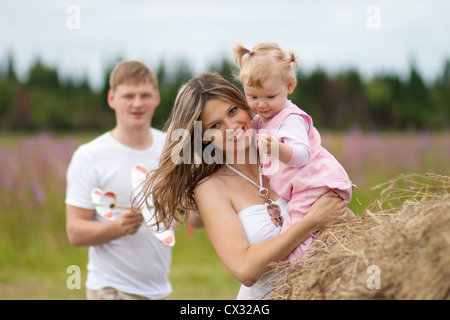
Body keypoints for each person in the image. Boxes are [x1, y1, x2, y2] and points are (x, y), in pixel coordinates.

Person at [136, 72, 351, 300]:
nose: (232, 127)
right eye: (215, 125)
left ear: (245, 104)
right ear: (205, 137)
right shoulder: (211, 188)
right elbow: (245, 269)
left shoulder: (285, 150)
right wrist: (311, 222)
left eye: (232, 111)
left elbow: (336, 209)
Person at [233, 42, 355, 261]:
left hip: (314, 182)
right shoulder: (262, 120)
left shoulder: (291, 118)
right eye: (253, 97)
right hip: (302, 186)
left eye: (270, 97)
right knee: (309, 229)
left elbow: (302, 155)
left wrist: (277, 149)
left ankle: (297, 268)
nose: (261, 104)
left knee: (295, 228)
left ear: (289, 86)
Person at [65, 61, 176, 300]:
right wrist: (118, 227)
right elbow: (75, 231)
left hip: (160, 290)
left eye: (145, 95)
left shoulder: (170, 148)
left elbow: (195, 220)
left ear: (156, 98)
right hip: (111, 290)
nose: (137, 103)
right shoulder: (89, 156)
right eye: (128, 96)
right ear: (112, 98)